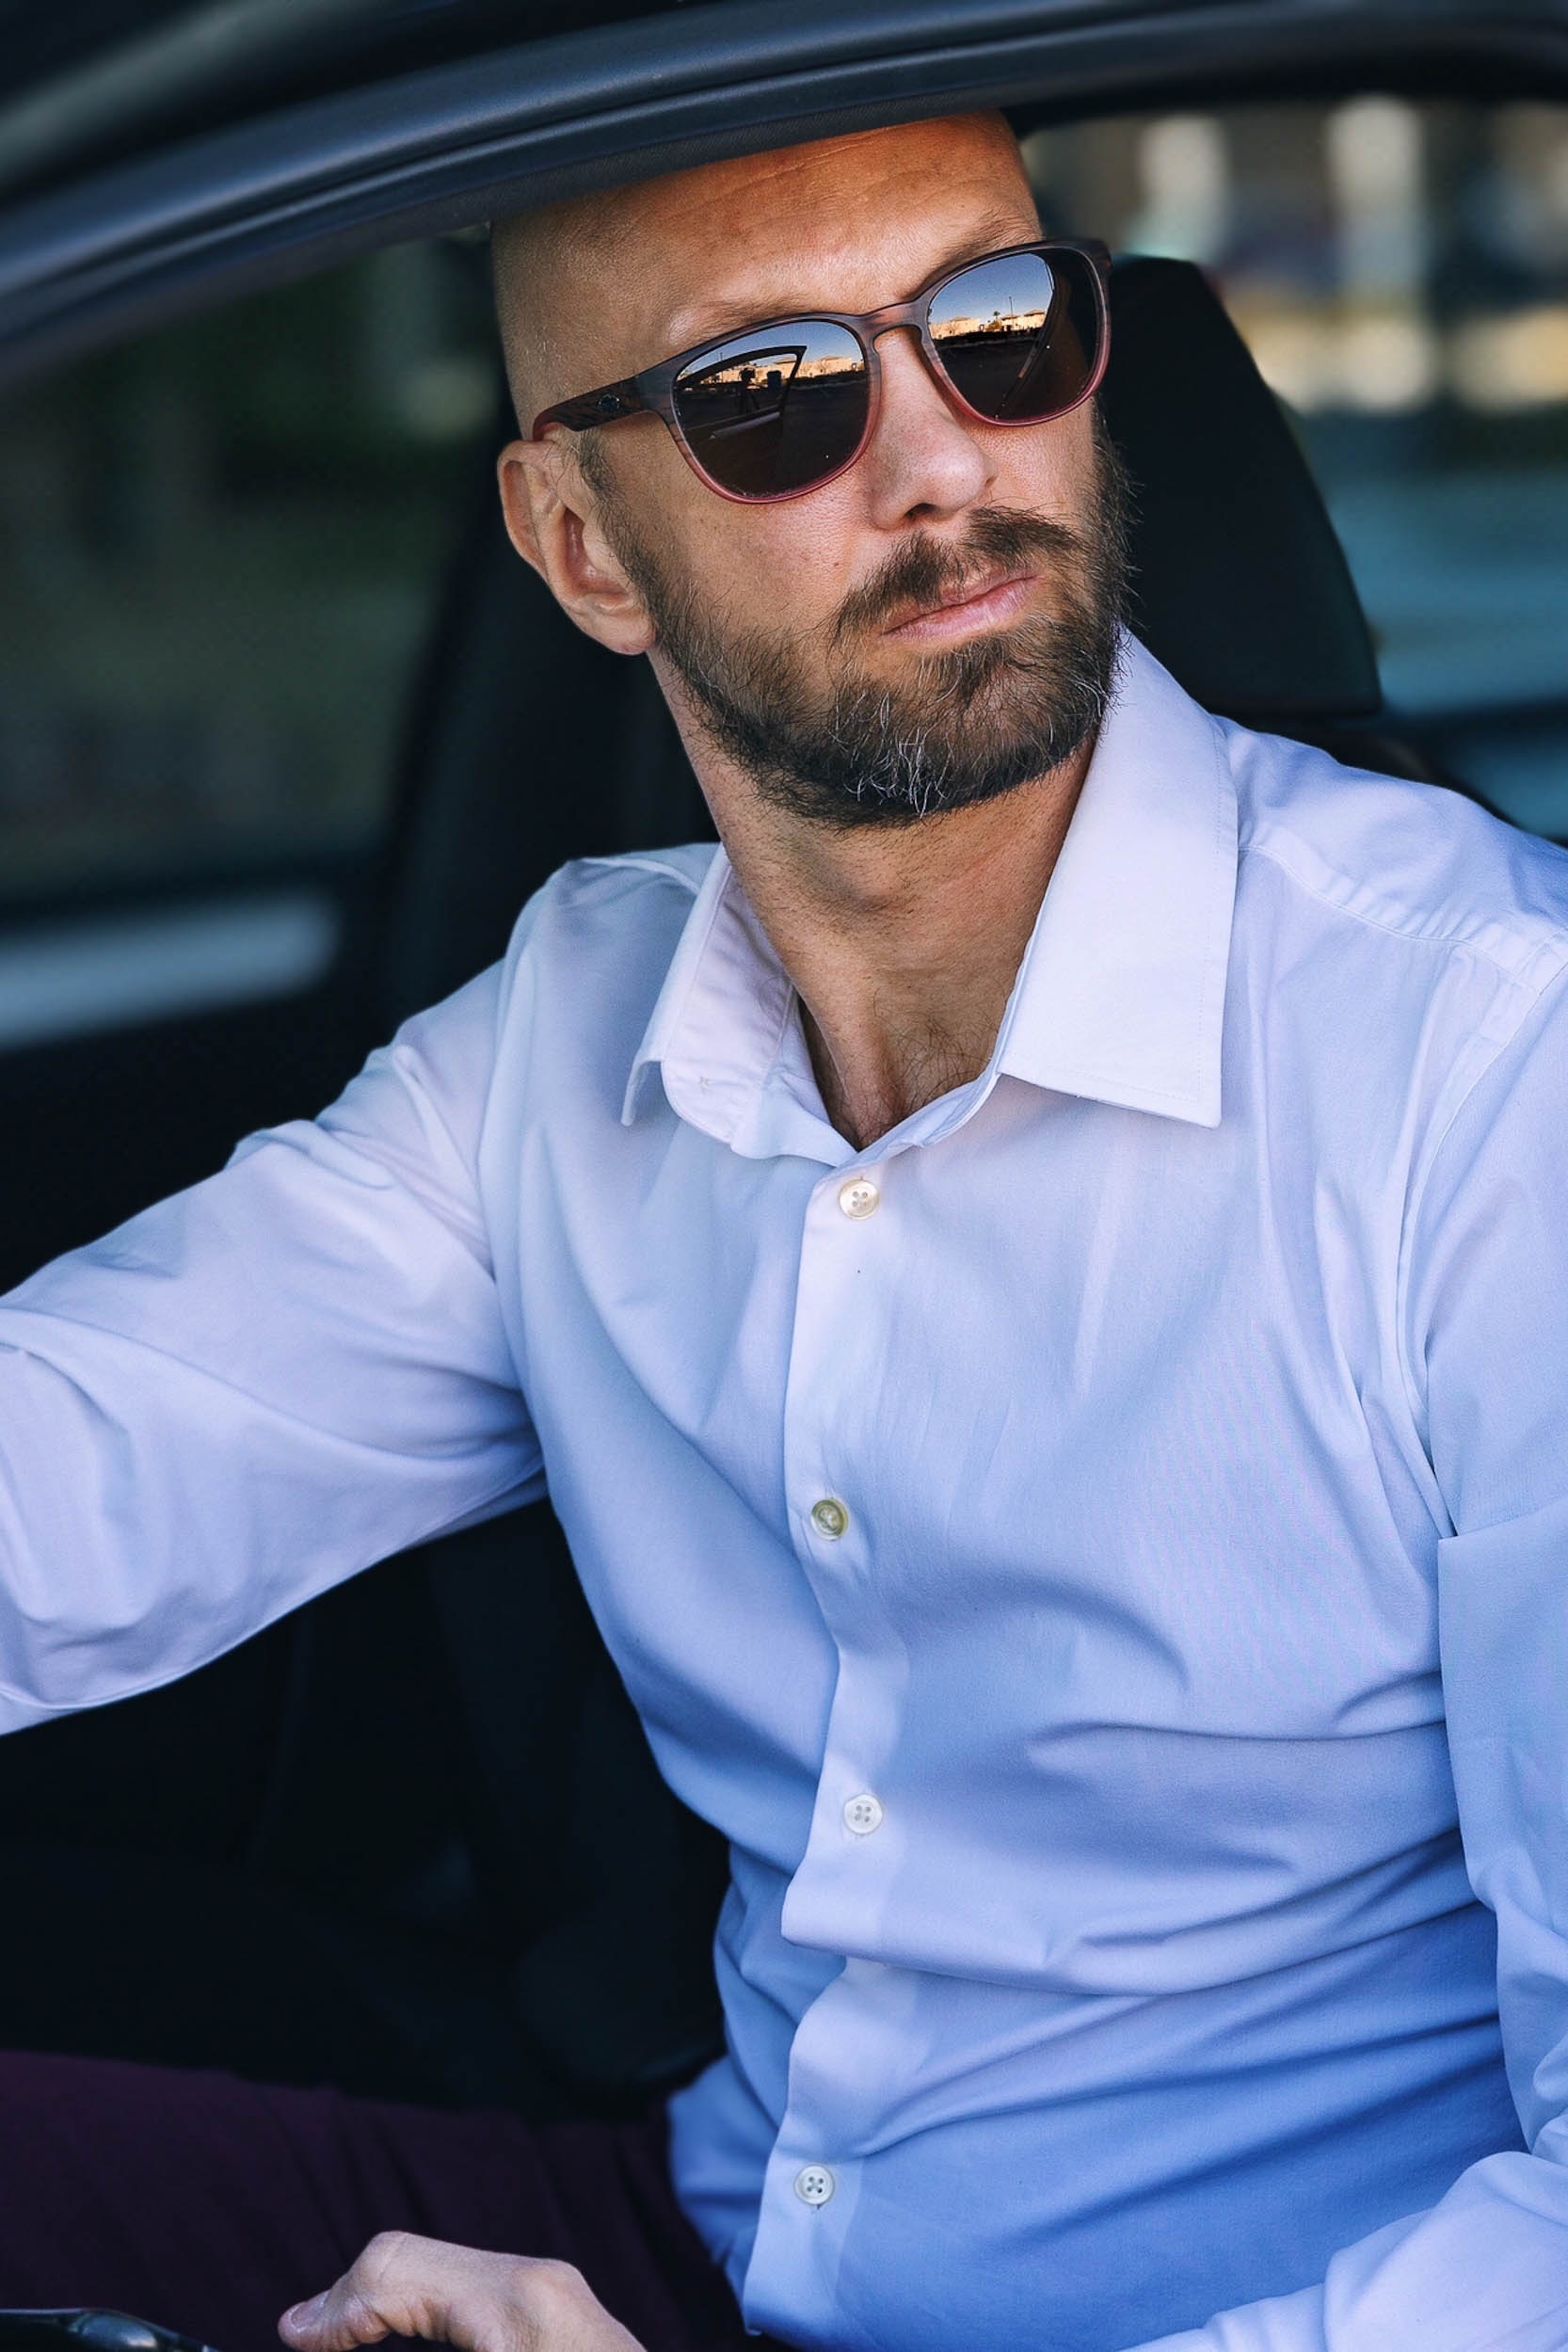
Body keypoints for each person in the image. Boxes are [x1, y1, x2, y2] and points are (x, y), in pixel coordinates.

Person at [0, 105, 1566, 2352]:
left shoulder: (1488, 1065)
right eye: (775, 396)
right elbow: (78, 1463)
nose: (943, 463)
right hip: (689, 2239)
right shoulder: (568, 1028)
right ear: (580, 546)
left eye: (1000, 330)